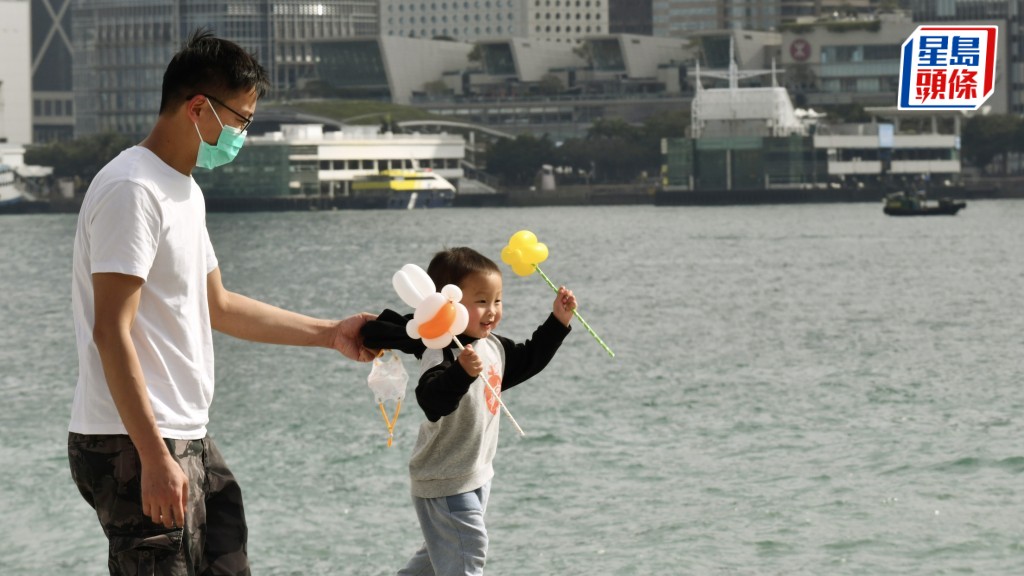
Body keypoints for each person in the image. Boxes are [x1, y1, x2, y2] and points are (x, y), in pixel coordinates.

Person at [67, 29, 376, 575]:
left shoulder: (183, 190)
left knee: (229, 555)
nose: (242, 134)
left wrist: (331, 332)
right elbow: (110, 331)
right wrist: (154, 457)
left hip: (185, 432)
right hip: (133, 440)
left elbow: (221, 305)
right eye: (241, 120)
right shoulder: (132, 190)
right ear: (198, 108)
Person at [363, 247, 575, 575]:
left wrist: (558, 322)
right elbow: (432, 401)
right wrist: (461, 372)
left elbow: (530, 358)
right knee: (468, 552)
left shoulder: (493, 347)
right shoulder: (441, 351)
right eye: (481, 302)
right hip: (445, 476)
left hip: (476, 472)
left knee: (437, 562)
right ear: (447, 303)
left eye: (497, 301)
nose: (491, 311)